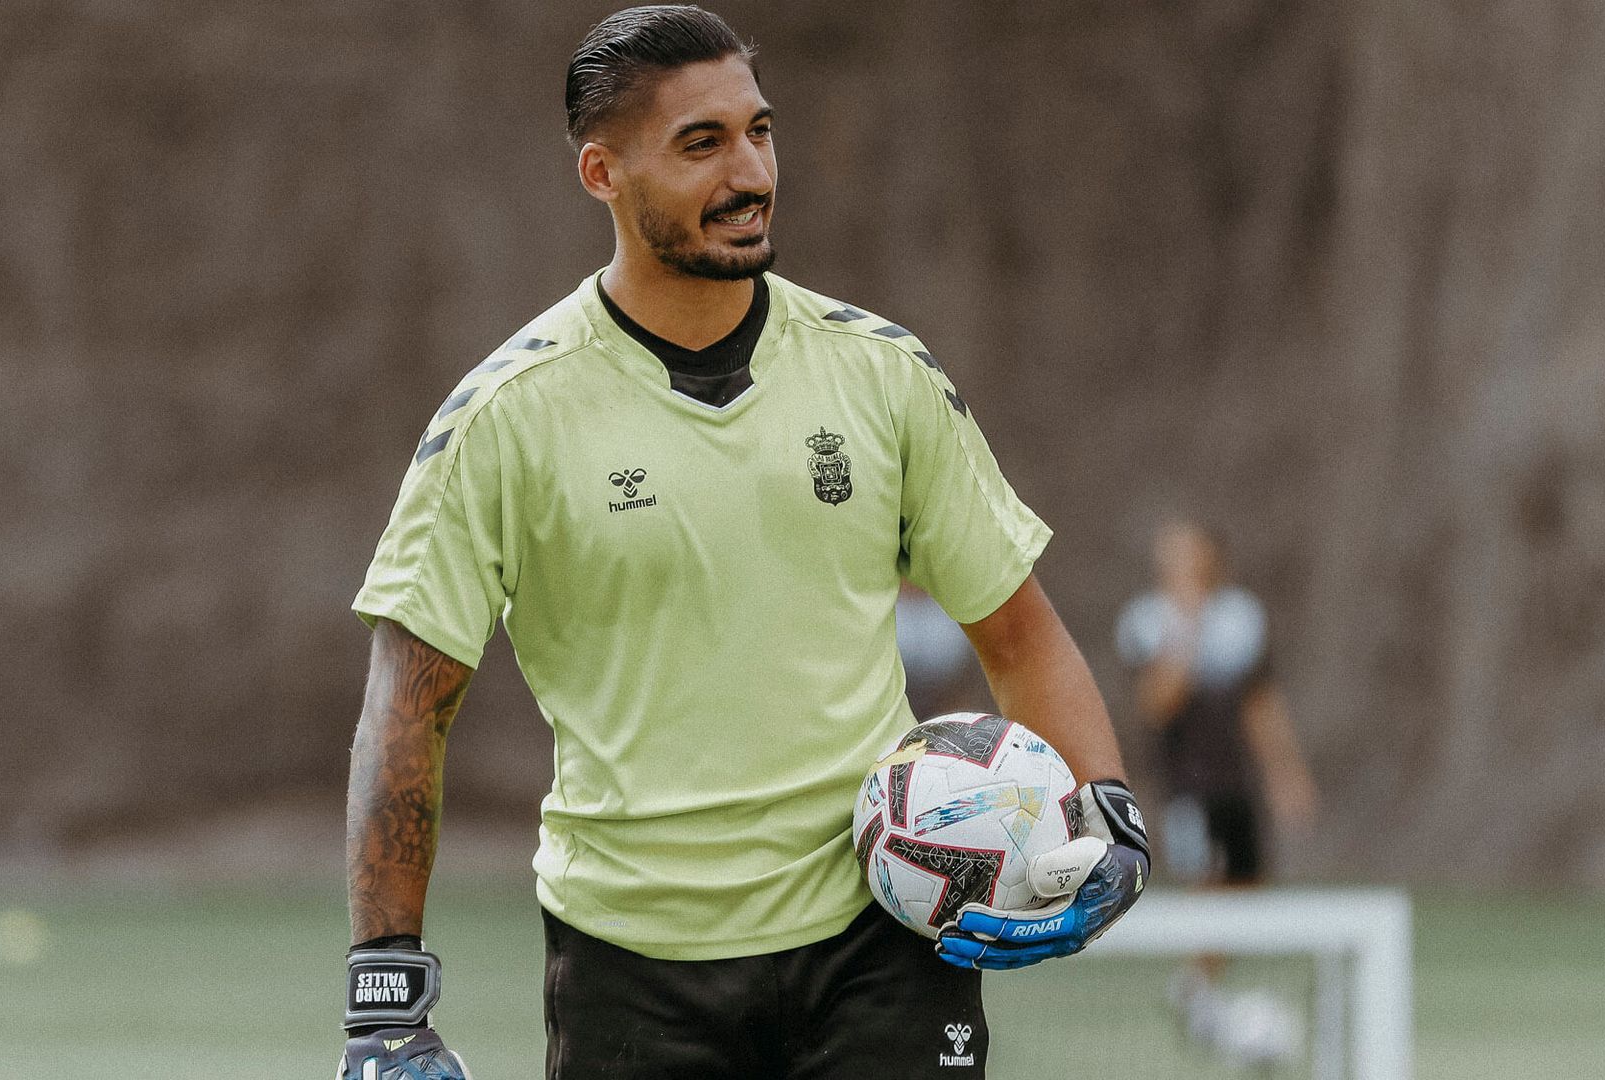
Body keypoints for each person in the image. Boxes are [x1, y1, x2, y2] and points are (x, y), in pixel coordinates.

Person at [337, 8, 1149, 1078]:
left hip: (880, 949)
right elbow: (407, 709)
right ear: (602, 173)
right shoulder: (503, 418)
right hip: (633, 965)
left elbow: (1019, 635)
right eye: (702, 144)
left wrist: (1111, 814)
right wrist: (383, 1001)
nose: (752, 172)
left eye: (760, 132)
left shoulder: (883, 374)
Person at [1114, 519, 1318, 1049]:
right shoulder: (1148, 625)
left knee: (1248, 880)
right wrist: (1186, 626)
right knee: (1204, 881)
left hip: (1236, 782)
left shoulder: (1241, 621)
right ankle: (1195, 990)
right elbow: (1158, 703)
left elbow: (1259, 702)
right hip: (1187, 787)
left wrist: (1286, 772)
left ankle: (1196, 982)